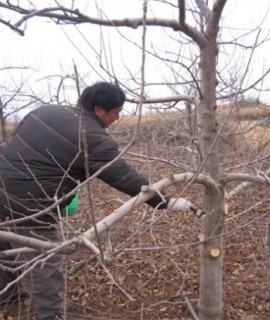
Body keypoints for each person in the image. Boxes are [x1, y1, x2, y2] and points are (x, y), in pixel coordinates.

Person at [0, 82, 195, 320]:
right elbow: (124, 176)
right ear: (100, 109)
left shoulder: (42, 112)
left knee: (5, 248)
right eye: (117, 111)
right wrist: (165, 202)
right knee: (45, 265)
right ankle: (50, 316)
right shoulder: (92, 137)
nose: (118, 117)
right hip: (31, 206)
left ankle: (8, 298)